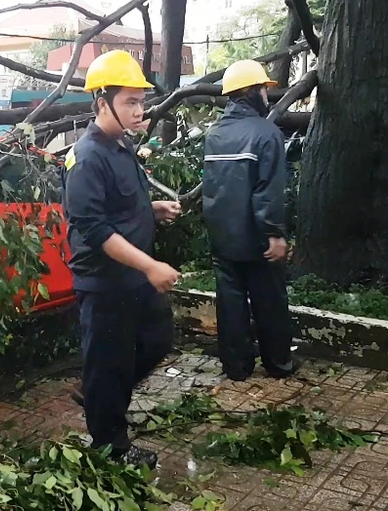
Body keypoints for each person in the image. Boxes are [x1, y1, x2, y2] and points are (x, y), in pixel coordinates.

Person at [61, 50, 182, 469]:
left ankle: (100, 394)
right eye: (130, 101)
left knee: (157, 338)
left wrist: (152, 210)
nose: (139, 110)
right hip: (105, 284)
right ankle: (110, 446)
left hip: (132, 280)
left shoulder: (119, 147)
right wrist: (150, 266)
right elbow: (94, 229)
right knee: (110, 362)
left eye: (141, 102)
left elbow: (121, 205)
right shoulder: (87, 156)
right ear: (101, 104)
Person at [201, 59, 295, 382]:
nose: (267, 95)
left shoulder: (214, 134)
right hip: (256, 238)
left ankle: (236, 367)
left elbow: (215, 188)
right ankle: (278, 363)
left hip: (222, 237)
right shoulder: (267, 133)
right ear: (254, 92)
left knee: (231, 304)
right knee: (269, 301)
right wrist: (274, 233)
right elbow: (268, 191)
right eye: (263, 89)